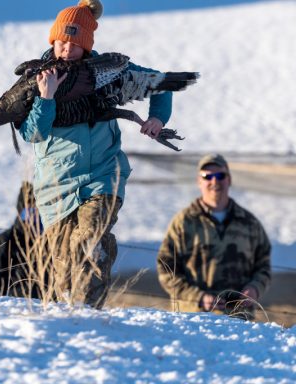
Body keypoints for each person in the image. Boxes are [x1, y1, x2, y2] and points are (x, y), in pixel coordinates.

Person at [18, 0, 173, 309]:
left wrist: (157, 118)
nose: (66, 49)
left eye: (75, 43)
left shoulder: (110, 71)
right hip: (56, 188)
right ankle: (74, 311)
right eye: (61, 41)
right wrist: (46, 98)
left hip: (103, 175)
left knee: (89, 239)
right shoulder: (39, 78)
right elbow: (32, 134)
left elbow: (160, 83)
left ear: (87, 44)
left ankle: (88, 316)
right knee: (65, 262)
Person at [156, 154, 271, 320]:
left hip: (238, 322)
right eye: (207, 176)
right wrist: (198, 297)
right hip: (192, 320)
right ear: (199, 181)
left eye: (220, 176)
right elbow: (166, 269)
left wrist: (254, 288)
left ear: (229, 179)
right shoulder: (183, 222)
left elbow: (263, 265)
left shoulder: (249, 223)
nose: (214, 181)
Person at [0, 181, 44, 298]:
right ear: (21, 211)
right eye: (29, 211)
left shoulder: (53, 241)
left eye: (38, 212)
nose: (33, 216)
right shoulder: (6, 240)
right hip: (15, 304)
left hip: (51, 306)